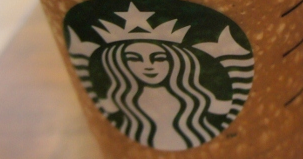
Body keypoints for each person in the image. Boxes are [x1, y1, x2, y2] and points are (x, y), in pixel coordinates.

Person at [95, 39, 234, 150]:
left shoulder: (198, 97)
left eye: (159, 58)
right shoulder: (120, 99)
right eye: (135, 59)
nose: (148, 65)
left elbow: (226, 109)